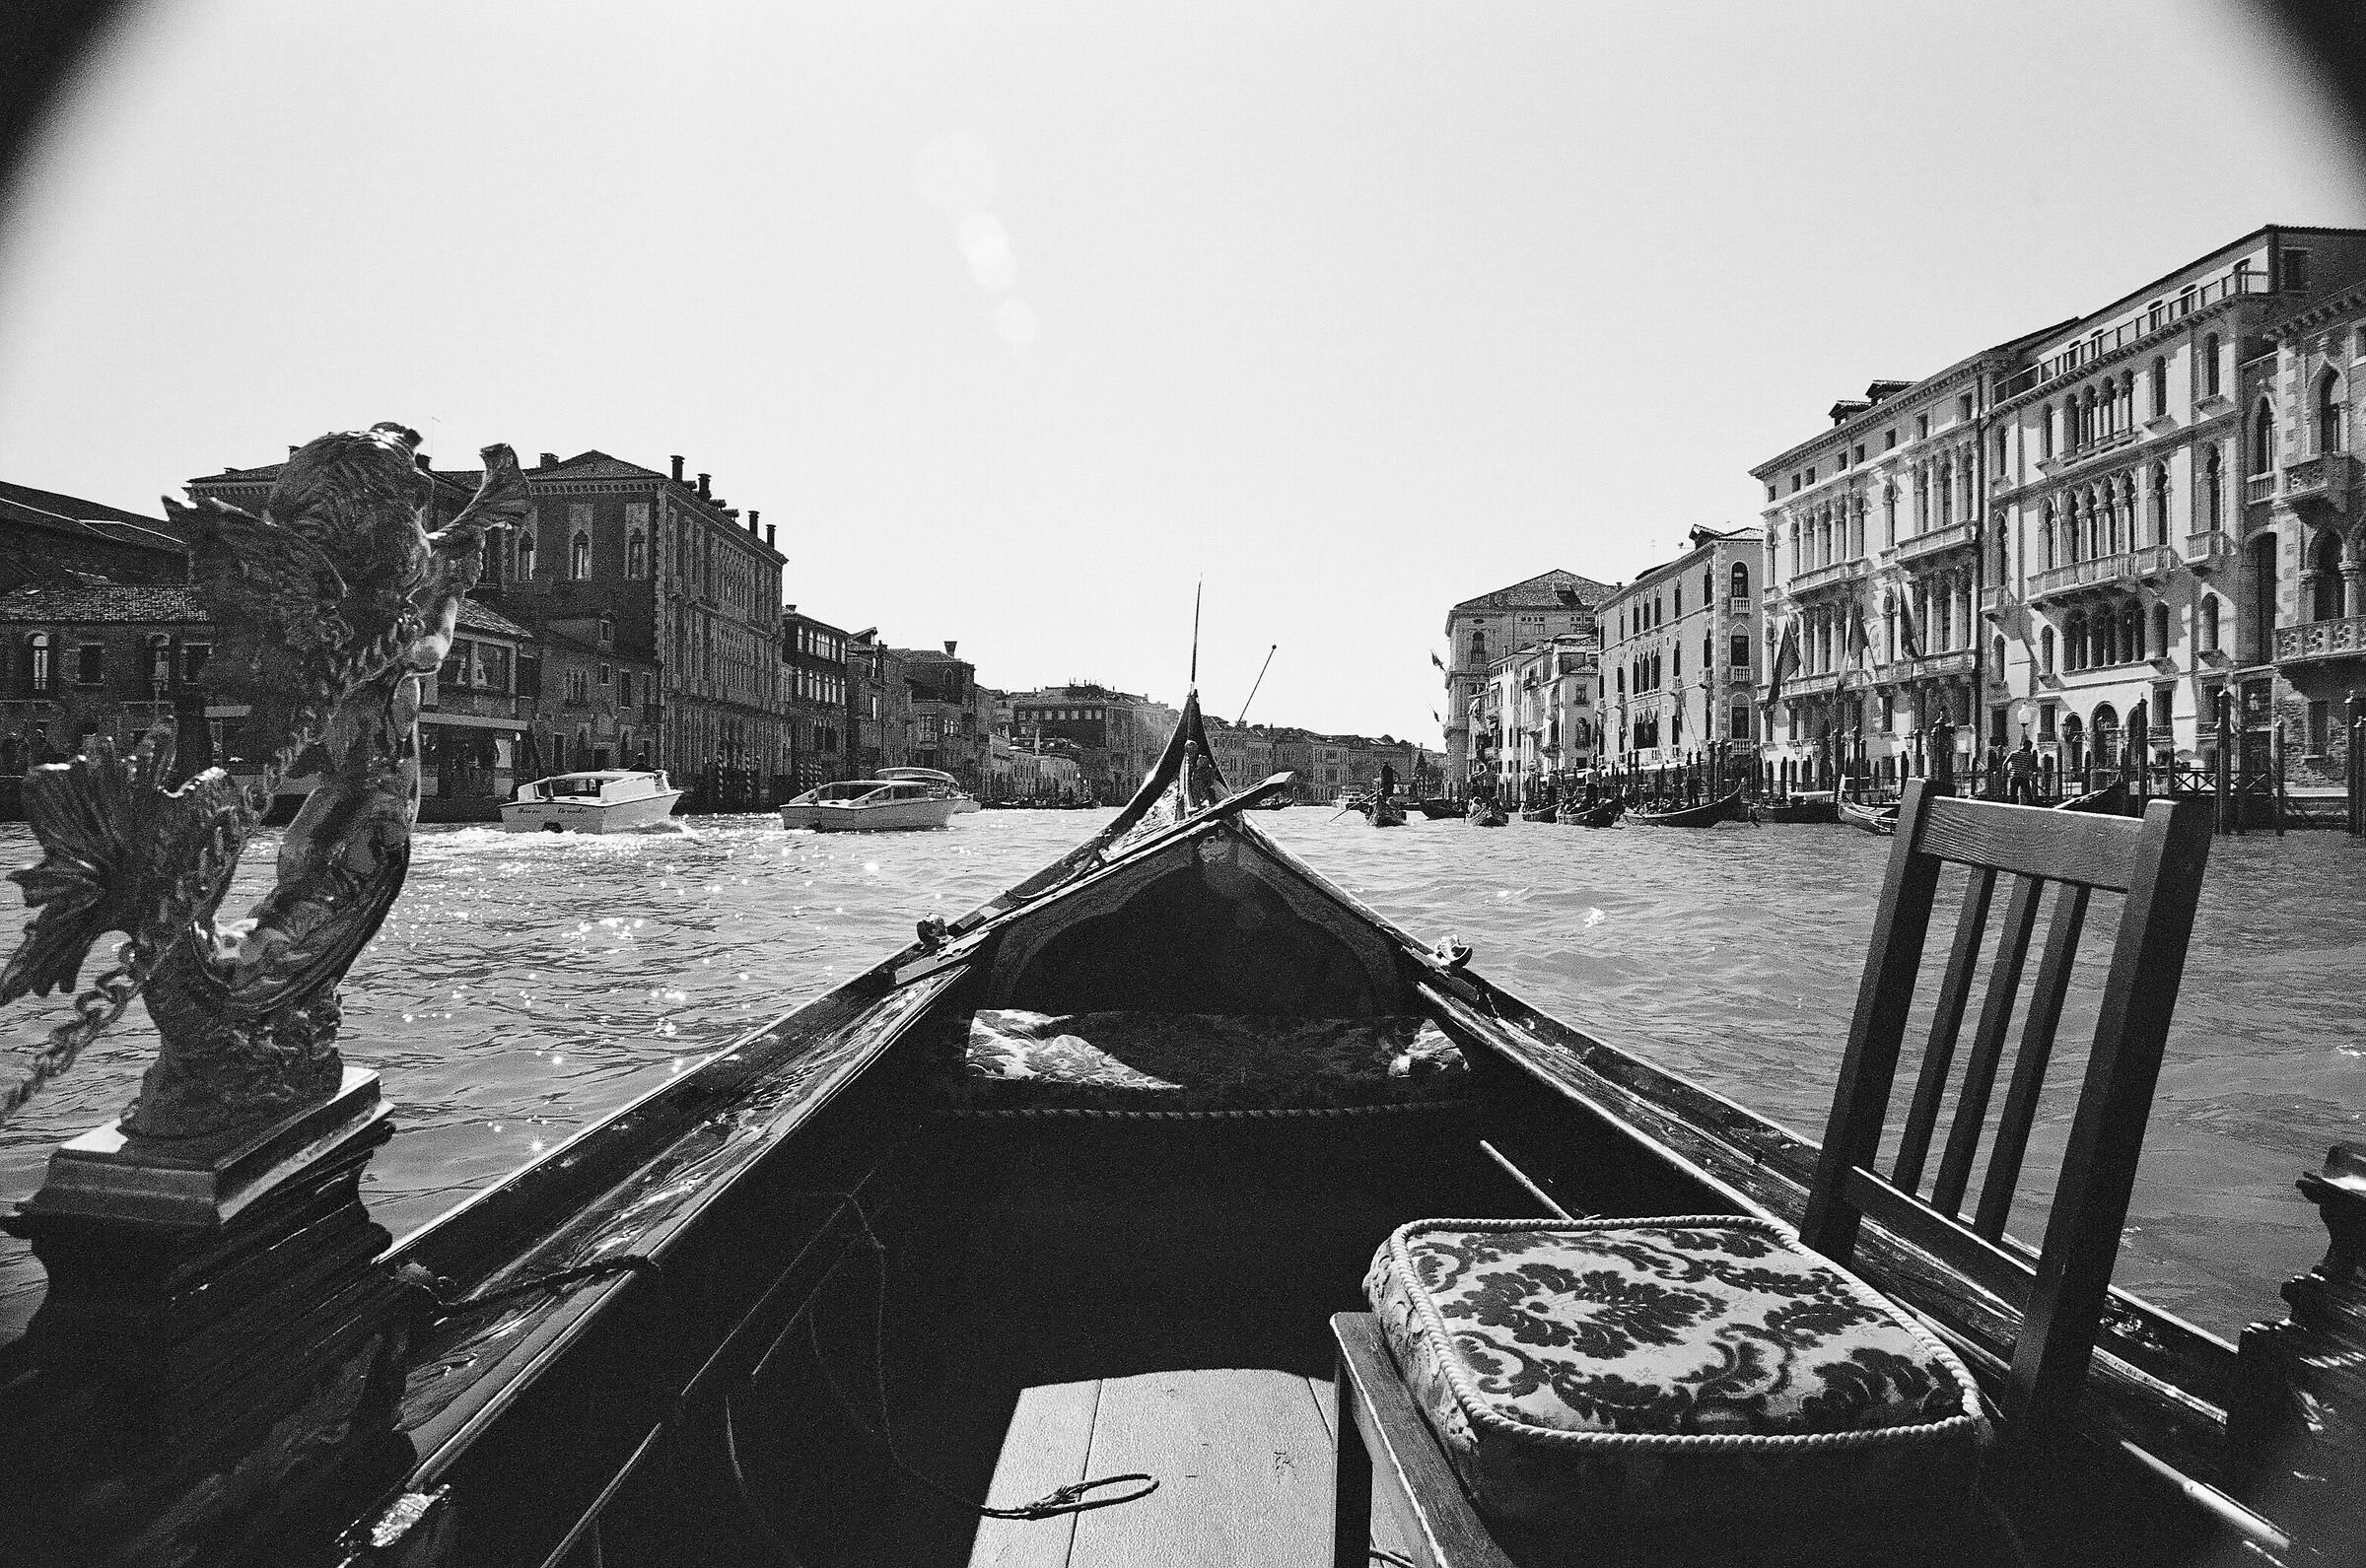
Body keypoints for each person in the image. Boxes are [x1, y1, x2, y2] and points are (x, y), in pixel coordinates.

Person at [2006, 735, 2039, 806]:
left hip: (2014, 776)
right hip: (2023, 777)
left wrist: (2006, 773)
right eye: (2030, 747)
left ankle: (2011, 808)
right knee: (2028, 794)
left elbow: (2005, 763)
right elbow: (2030, 767)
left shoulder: (2013, 753)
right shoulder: (2028, 756)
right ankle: (2030, 807)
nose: (2030, 748)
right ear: (2026, 746)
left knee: (2013, 794)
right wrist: (2030, 773)